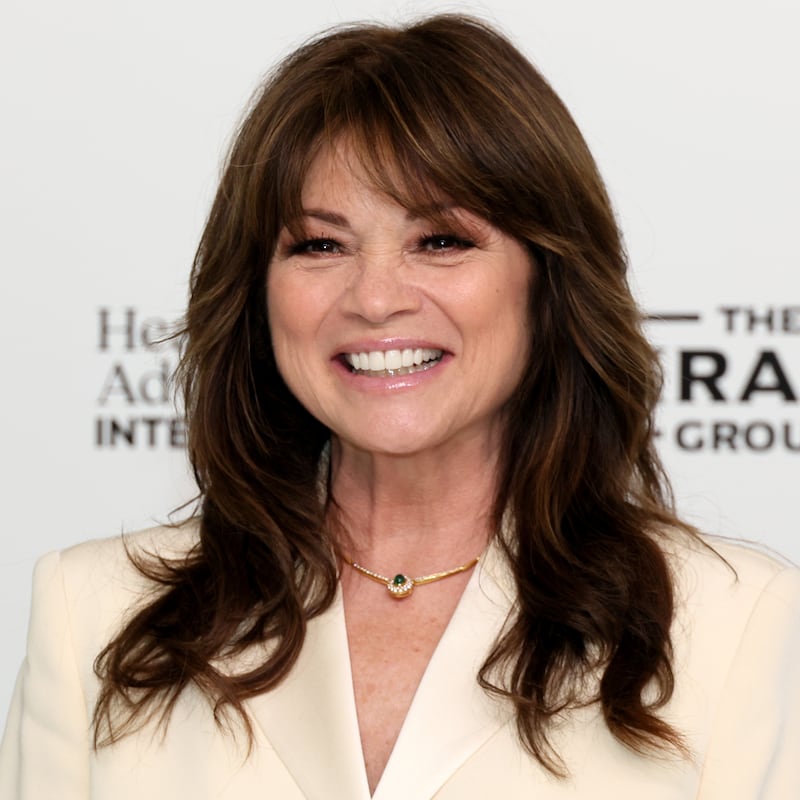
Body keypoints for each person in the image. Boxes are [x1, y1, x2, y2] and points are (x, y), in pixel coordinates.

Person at [1, 13, 798, 799]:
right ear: (257, 294)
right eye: (320, 245)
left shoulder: (735, 628)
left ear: (547, 281)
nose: (376, 298)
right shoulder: (95, 615)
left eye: (441, 240)